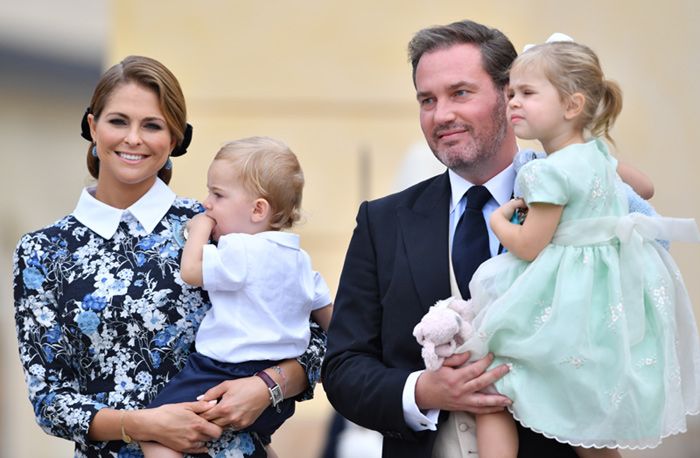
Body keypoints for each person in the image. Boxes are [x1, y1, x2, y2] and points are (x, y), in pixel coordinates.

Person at [321, 20, 659, 458]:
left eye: (460, 93)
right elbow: (344, 369)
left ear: (510, 96)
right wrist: (424, 390)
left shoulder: (584, 204)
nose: (441, 115)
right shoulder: (381, 222)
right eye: (427, 100)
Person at [13, 55, 326, 458]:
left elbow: (315, 337)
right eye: (118, 121)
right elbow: (49, 399)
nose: (133, 139)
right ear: (93, 127)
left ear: (175, 137)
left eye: (153, 125)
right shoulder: (44, 251)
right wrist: (145, 424)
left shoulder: (216, 224)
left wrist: (268, 387)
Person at [450, 37, 700, 458]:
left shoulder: (547, 174)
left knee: (493, 378)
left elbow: (529, 246)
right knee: (589, 417)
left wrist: (497, 221)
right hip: (602, 305)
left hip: (562, 298)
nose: (513, 103)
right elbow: (645, 186)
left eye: (527, 94)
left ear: (571, 106)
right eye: (511, 93)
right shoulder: (598, 154)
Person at [141, 137, 333, 458]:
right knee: (256, 442)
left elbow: (190, 271)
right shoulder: (300, 259)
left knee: (155, 430)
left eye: (217, 194)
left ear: (258, 209)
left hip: (222, 372)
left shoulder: (241, 248)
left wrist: (199, 229)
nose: (207, 203)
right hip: (274, 393)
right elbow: (332, 322)